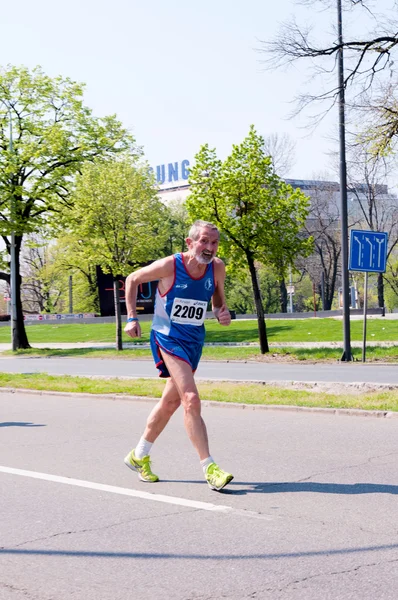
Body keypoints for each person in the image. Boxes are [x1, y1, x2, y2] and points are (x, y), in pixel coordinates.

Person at [123, 220, 234, 491]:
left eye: (214, 242)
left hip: (194, 341)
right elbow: (132, 279)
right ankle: (210, 467)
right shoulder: (172, 265)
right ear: (190, 242)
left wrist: (222, 312)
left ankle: (139, 455)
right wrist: (131, 317)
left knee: (170, 403)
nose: (209, 248)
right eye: (204, 241)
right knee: (191, 399)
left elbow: (217, 301)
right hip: (168, 338)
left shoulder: (217, 267)